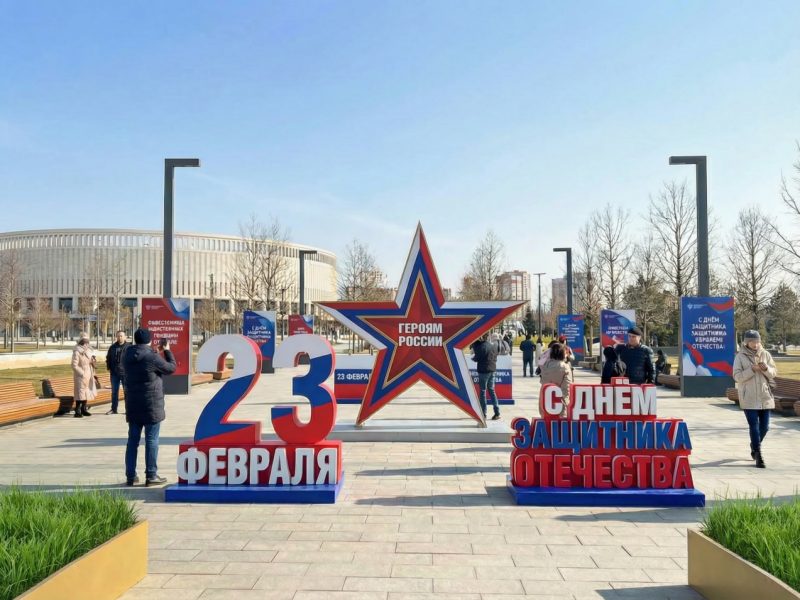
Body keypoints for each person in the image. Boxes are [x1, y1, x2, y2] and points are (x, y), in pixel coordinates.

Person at [122, 328, 176, 486]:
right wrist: (167, 351)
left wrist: (155, 353)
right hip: (151, 405)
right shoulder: (152, 357)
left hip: (133, 403)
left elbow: (143, 361)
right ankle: (151, 475)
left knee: (132, 441)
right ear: (150, 340)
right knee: (151, 440)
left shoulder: (127, 355)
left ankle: (130, 475)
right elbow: (171, 368)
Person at [732, 330, 777, 469]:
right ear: (746, 342)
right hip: (749, 397)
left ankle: (754, 444)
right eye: (752, 341)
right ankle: (758, 454)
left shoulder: (766, 354)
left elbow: (773, 373)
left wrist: (765, 369)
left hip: (764, 396)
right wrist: (752, 369)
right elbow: (737, 377)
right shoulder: (740, 357)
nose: (755, 344)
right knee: (754, 426)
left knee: (765, 427)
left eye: (757, 341)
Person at [470, 334, 501, 421]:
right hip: (492, 370)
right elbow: (495, 357)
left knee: (483, 392)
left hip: (484, 371)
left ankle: (483, 413)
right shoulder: (492, 346)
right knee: (492, 390)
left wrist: (473, 358)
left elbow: (477, 357)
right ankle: (497, 413)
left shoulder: (480, 346)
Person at [540, 343, 573, 410]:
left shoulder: (544, 366)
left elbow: (542, 381)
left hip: (545, 401)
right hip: (559, 404)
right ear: (562, 354)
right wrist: (566, 403)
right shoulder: (565, 367)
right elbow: (567, 387)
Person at [71, 332, 97, 418]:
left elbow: (90, 361)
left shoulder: (89, 351)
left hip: (88, 374)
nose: (86, 343)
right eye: (84, 341)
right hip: (80, 375)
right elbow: (74, 365)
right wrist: (82, 373)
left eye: (87, 341)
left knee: (86, 391)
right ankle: (77, 410)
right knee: (80, 392)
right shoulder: (77, 351)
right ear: (81, 341)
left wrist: (93, 361)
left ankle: (84, 409)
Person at [105, 330, 130, 415]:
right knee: (114, 392)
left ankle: (128, 410)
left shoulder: (129, 347)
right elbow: (108, 358)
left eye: (121, 336)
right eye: (118, 336)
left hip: (125, 373)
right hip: (114, 373)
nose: (120, 337)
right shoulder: (112, 347)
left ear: (125, 337)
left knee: (127, 392)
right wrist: (109, 367)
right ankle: (113, 409)